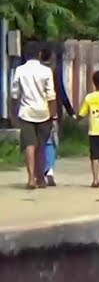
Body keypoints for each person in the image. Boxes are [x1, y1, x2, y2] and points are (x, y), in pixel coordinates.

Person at [10, 47, 56, 190]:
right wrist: (53, 115)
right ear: (40, 54)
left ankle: (31, 178)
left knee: (29, 145)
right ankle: (41, 178)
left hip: (26, 112)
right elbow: (51, 96)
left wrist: (13, 113)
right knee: (41, 146)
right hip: (43, 112)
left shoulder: (19, 70)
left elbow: (14, 94)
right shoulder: (46, 71)